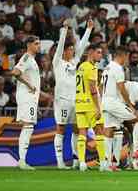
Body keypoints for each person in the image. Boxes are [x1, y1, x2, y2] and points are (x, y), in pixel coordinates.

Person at [52, 19, 93, 169]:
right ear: (64, 51)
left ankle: (76, 159)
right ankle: (60, 161)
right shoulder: (57, 62)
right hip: (62, 100)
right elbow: (60, 46)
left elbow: (81, 47)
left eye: (72, 49)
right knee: (61, 128)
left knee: (77, 128)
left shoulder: (75, 62)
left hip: (76, 100)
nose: (72, 51)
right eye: (69, 49)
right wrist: (64, 29)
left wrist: (89, 29)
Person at [101, 46, 138, 171]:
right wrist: (130, 105)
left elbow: (101, 85)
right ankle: (137, 151)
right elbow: (122, 88)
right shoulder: (118, 68)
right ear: (122, 55)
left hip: (105, 101)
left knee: (109, 129)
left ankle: (107, 163)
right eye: (127, 56)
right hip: (113, 102)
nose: (127, 59)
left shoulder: (107, 68)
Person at [11, 36, 41, 170]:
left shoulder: (32, 60)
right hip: (26, 97)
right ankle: (22, 161)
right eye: (36, 43)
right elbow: (15, 72)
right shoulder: (27, 57)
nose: (38, 46)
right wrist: (28, 85)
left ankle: (22, 160)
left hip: (31, 97)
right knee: (28, 126)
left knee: (28, 126)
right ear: (29, 45)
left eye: (39, 43)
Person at [75, 43, 105, 172]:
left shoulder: (81, 66)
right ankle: (103, 162)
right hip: (90, 104)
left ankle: (82, 162)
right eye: (98, 52)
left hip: (79, 103)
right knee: (99, 131)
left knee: (82, 133)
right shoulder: (91, 68)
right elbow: (93, 89)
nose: (100, 55)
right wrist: (98, 107)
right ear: (91, 52)